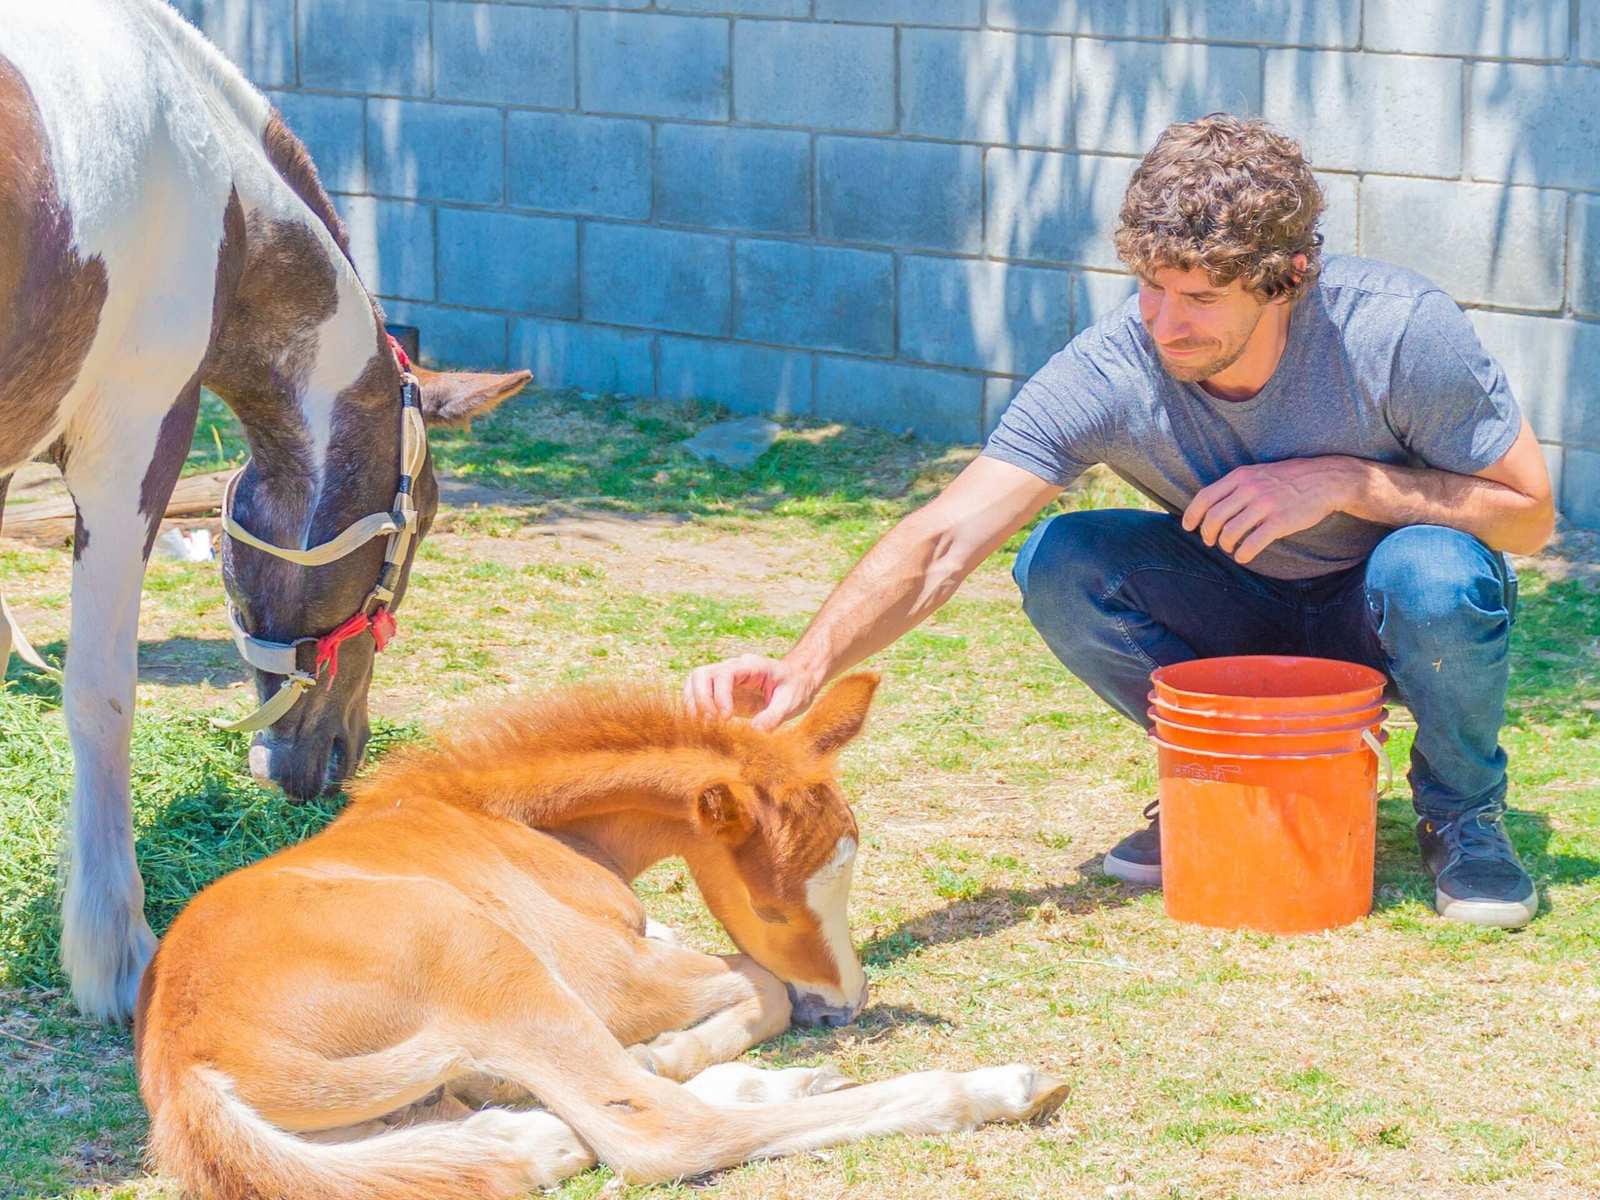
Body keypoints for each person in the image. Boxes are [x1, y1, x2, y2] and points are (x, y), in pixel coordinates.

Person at [684, 114, 1555, 930]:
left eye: (1203, 297)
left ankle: (1462, 814)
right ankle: (1224, 782)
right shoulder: (1113, 367)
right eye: (1150, 287)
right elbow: (946, 536)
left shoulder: (1398, 332)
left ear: (1288, 276)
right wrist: (806, 670)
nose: (1166, 324)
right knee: (1060, 556)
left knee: (1435, 572)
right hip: (1236, 604)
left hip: (1384, 606)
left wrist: (1346, 482)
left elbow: (1528, 517)